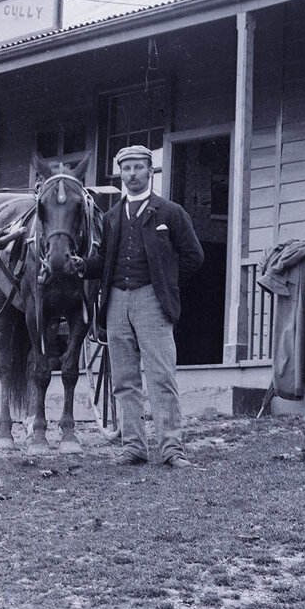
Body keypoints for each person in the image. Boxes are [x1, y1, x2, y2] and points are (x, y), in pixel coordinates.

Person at [94, 144, 205, 468]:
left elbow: (193, 256)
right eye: (126, 169)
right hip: (116, 301)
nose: (132, 174)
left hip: (151, 301)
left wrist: (164, 283)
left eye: (138, 167)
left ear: (150, 171)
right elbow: (103, 261)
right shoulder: (111, 217)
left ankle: (172, 448)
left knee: (161, 376)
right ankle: (134, 447)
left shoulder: (170, 212)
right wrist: (79, 265)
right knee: (124, 379)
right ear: (121, 174)